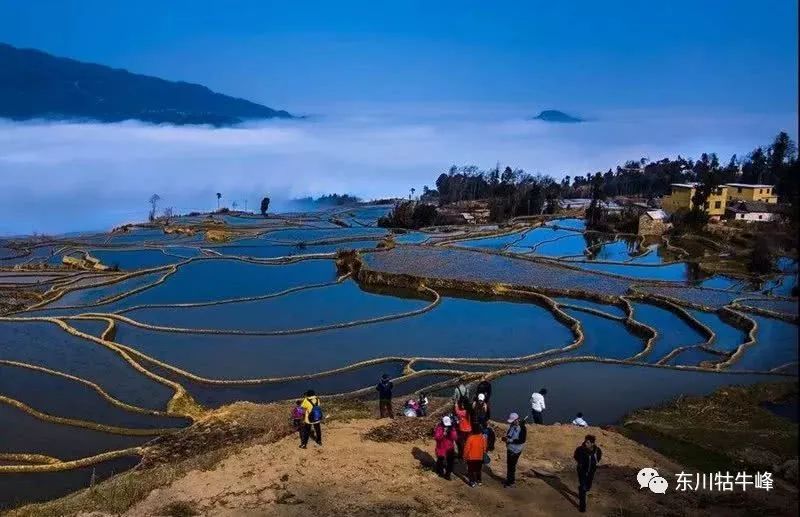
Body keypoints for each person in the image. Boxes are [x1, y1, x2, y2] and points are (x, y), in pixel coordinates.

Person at [574, 434, 602, 513]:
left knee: (588, 486)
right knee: (583, 487)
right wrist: (581, 463)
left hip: (591, 472)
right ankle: (582, 507)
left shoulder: (597, 450)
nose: (586, 443)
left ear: (592, 443)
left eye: (588, 442)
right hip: (581, 471)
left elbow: (599, 458)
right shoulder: (580, 449)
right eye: (585, 442)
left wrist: (593, 465)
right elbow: (575, 456)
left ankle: (583, 490)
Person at [501, 412, 526, 488]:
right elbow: (509, 434)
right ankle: (509, 480)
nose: (511, 423)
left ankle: (511, 482)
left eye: (512, 421)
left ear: (516, 420)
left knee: (512, 466)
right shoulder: (512, 425)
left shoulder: (522, 428)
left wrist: (510, 440)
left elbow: (522, 440)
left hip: (516, 450)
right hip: (510, 449)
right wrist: (506, 438)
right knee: (509, 465)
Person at [433, 416, 458, 480]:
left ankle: (448, 474)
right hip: (441, 447)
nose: (446, 426)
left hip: (449, 447)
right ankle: (440, 471)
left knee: (450, 462)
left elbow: (455, 438)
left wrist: (451, 431)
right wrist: (443, 434)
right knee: (440, 460)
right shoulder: (439, 428)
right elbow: (436, 438)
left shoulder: (452, 428)